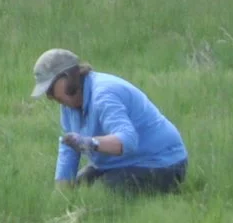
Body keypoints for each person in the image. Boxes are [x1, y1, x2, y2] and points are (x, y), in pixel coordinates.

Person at [30, 48, 189, 194]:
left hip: (161, 163)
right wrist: (61, 195)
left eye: (50, 89)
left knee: (98, 194)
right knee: (77, 191)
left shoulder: (104, 94)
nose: (49, 96)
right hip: (119, 164)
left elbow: (128, 140)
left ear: (67, 77)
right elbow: (70, 147)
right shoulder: (68, 106)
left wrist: (90, 143)